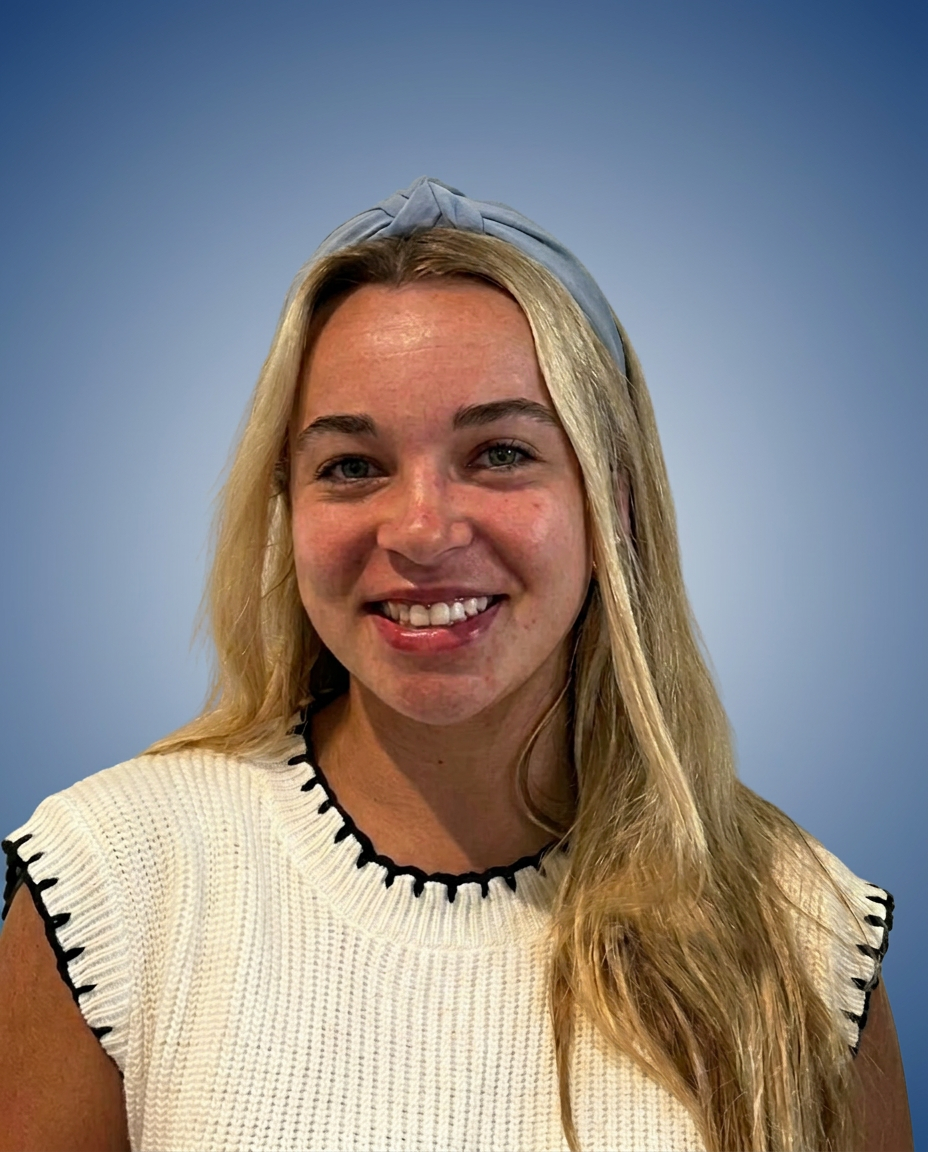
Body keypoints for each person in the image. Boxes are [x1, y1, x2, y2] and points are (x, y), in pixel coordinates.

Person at [0, 177, 912, 1152]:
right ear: (286, 513)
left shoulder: (799, 925)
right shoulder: (109, 881)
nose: (423, 530)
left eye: (500, 453)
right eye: (351, 466)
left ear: (613, 505)